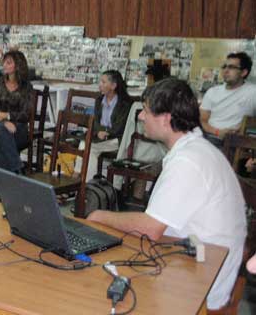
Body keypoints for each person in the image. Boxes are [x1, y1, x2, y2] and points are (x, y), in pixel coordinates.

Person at [87, 78, 246, 311]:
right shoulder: (195, 150)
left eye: (146, 111)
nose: (141, 117)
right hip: (195, 257)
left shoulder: (188, 161)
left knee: (98, 290)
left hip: (202, 279)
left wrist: (99, 215)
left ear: (166, 118)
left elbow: (151, 228)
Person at [80, 70, 132, 181]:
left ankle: (80, 180)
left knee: (86, 146)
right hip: (100, 138)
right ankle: (88, 184)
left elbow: (119, 127)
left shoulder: (125, 104)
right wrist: (98, 132)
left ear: (113, 86)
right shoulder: (99, 100)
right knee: (86, 147)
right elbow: (95, 123)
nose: (100, 85)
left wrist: (104, 131)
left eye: (103, 82)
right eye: (100, 81)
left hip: (115, 140)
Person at [0, 51, 33, 173]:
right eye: (4, 62)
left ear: (18, 65)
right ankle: (17, 169)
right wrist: (4, 121)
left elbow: (25, 114)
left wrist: (7, 115)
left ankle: (2, 179)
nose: (4, 65)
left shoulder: (26, 87)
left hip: (19, 128)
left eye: (9, 62)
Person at [200, 52, 256, 145]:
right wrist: (218, 132)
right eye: (224, 66)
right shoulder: (213, 91)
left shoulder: (252, 92)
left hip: (236, 142)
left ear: (243, 72)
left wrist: (242, 130)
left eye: (231, 67)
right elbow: (203, 120)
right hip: (209, 137)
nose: (225, 70)